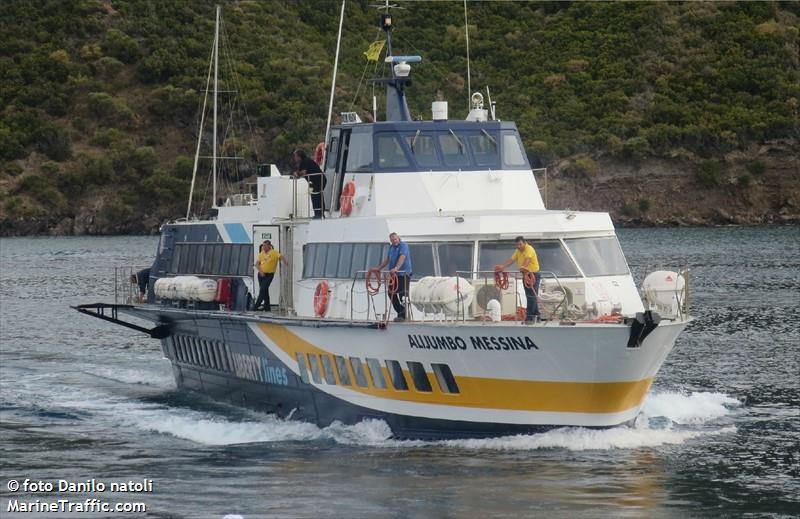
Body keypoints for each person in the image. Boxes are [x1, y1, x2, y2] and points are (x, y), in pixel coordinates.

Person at [496, 236, 541, 322]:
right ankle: (537, 315)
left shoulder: (529, 249)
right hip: (525, 275)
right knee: (530, 295)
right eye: (517, 245)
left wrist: (523, 267)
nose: (518, 246)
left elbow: (527, 260)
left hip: (532, 275)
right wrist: (502, 267)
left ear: (524, 243)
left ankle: (530, 317)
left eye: (520, 244)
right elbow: (511, 260)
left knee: (531, 296)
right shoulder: (518, 251)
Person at [375, 232, 412, 322]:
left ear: (398, 238)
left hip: (403, 274)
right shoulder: (391, 247)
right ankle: (400, 312)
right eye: (392, 240)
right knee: (391, 293)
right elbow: (388, 259)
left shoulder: (403, 246)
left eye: (395, 239)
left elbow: (402, 257)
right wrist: (378, 268)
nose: (394, 241)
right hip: (394, 275)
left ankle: (405, 315)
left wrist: (396, 268)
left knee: (402, 294)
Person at [253, 240, 288, 311]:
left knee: (262, 289)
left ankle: (256, 306)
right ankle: (267, 307)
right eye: (263, 246)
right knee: (265, 291)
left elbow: (281, 257)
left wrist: (286, 262)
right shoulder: (262, 253)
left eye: (265, 246)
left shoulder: (274, 252)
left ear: (269, 246)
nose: (263, 247)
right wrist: (261, 271)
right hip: (261, 274)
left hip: (269, 274)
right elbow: (257, 264)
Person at [292, 149, 326, 219]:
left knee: (317, 195)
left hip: (319, 180)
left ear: (299, 156)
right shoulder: (301, 163)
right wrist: (296, 174)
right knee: (313, 195)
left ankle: (320, 214)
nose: (294, 158)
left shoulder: (306, 161)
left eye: (295, 156)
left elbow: (303, 172)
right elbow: (299, 174)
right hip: (312, 182)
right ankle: (318, 213)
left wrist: (297, 173)